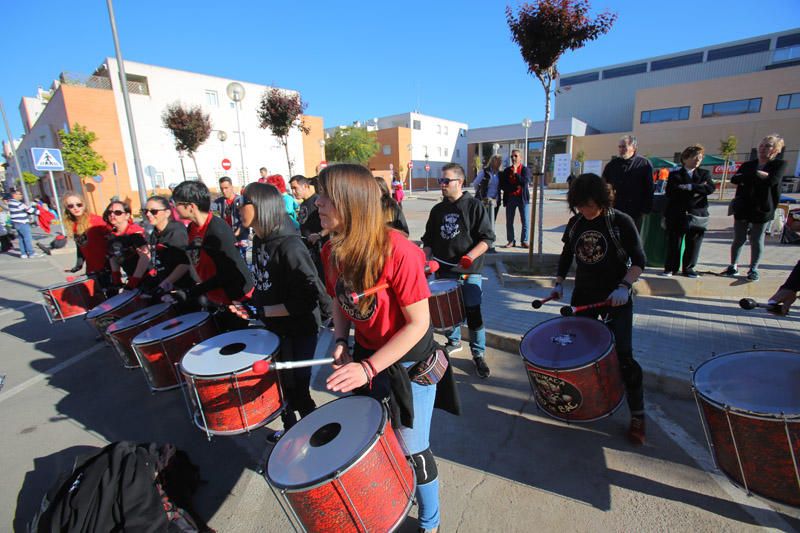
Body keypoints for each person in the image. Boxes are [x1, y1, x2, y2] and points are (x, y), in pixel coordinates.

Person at [318, 164, 459, 533]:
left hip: (409, 365)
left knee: (414, 447)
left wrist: (368, 368)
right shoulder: (330, 251)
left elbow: (419, 324)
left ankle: (431, 522)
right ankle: (391, 498)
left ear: (351, 204)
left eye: (325, 197)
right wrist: (339, 339)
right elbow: (339, 299)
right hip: (368, 358)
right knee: (377, 438)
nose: (317, 203)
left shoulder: (400, 251)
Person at [551, 173, 647, 445]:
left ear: (602, 199)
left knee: (624, 356)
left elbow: (640, 261)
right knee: (580, 354)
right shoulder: (576, 223)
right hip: (584, 297)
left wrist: (625, 286)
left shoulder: (620, 222)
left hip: (616, 297)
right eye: (580, 205)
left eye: (589, 204)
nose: (585, 210)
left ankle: (638, 415)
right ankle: (588, 403)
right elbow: (567, 255)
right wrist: (558, 284)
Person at [239, 182, 327, 442]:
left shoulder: (290, 245)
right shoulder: (260, 240)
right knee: (281, 386)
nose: (237, 208)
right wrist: (250, 306)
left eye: (242, 202)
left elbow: (309, 298)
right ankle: (290, 434)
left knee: (298, 389)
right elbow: (263, 284)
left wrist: (260, 311)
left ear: (260, 207)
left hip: (300, 328)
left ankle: (319, 438)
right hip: (276, 327)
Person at [422, 163, 494, 378]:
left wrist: (470, 257)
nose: (442, 185)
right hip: (443, 269)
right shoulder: (437, 210)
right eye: (440, 181)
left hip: (469, 271)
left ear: (460, 182)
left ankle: (478, 354)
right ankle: (454, 341)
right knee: (447, 311)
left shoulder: (474, 206)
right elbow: (428, 239)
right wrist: (426, 259)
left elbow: (487, 239)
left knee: (473, 311)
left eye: (446, 181)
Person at [170, 180, 254, 331]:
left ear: (190, 207)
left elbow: (227, 274)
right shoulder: (192, 228)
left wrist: (191, 292)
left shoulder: (217, 230)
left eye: (176, 204)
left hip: (236, 299)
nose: (174, 208)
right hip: (215, 296)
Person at [722, 134, 787, 281]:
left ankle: (753, 269)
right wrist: (757, 175)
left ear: (776, 149)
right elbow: (735, 179)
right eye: (762, 145)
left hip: (763, 207)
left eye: (768, 146)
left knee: (756, 239)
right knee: (738, 238)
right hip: (743, 206)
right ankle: (733, 265)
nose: (763, 149)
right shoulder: (748, 165)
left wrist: (751, 176)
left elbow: (772, 181)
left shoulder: (779, 165)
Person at [662, 145, 716, 278]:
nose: (698, 160)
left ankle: (689, 268)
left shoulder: (704, 174)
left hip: (697, 213)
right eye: (694, 157)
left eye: (700, 157)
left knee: (694, 243)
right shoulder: (675, 175)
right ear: (685, 158)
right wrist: (697, 189)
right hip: (677, 213)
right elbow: (671, 192)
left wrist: (690, 187)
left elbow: (710, 188)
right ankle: (671, 268)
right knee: (675, 242)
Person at [137, 196, 194, 297]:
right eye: (145, 211)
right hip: (167, 287)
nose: (148, 214)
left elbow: (184, 264)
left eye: (154, 211)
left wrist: (163, 286)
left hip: (184, 288)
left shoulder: (176, 231)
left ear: (167, 213)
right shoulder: (154, 234)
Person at [602, 135, 654, 230]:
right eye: (620, 147)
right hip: (616, 209)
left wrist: (646, 209)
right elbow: (604, 185)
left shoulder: (644, 164)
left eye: (624, 146)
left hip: (635, 211)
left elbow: (649, 188)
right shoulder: (612, 165)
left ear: (633, 148)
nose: (621, 149)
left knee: (632, 238)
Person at [61, 193, 110, 279]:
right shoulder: (73, 224)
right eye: (71, 206)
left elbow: (112, 240)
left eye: (79, 205)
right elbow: (80, 246)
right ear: (67, 209)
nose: (76, 208)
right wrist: (78, 264)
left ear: (84, 205)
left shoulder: (96, 220)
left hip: (106, 267)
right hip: (91, 268)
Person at [103, 200, 147, 289]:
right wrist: (116, 278)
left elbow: (145, 258)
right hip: (132, 278)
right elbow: (113, 256)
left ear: (127, 215)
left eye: (117, 212)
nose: (112, 215)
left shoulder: (135, 232)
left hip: (147, 278)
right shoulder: (111, 235)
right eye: (109, 212)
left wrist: (134, 281)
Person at [499, 150, 530, 247]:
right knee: (509, 221)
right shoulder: (507, 171)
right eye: (512, 156)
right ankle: (511, 241)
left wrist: (516, 173)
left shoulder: (525, 170)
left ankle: (524, 241)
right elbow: (503, 185)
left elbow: (525, 182)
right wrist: (514, 187)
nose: (513, 158)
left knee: (525, 220)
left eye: (516, 156)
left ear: (521, 158)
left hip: (522, 198)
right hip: (510, 198)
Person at [474, 154, 503, 253]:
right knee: (484, 223)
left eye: (500, 161)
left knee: (492, 223)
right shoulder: (485, 172)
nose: (498, 163)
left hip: (495, 202)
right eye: (497, 160)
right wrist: (481, 194)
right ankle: (482, 245)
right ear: (492, 161)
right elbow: (475, 183)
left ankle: (490, 245)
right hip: (485, 201)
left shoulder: (500, 173)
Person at [211, 176, 247, 254]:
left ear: (231, 187)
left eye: (226, 188)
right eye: (221, 189)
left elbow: (246, 220)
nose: (224, 191)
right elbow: (208, 209)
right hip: (227, 235)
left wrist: (236, 233)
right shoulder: (219, 201)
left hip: (241, 235)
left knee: (242, 259)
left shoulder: (241, 200)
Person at [6, 187, 39, 259]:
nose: (21, 195)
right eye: (20, 194)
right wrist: (39, 212)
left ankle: (23, 253)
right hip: (22, 223)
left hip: (16, 223)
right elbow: (29, 210)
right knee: (27, 238)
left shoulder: (10, 202)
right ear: (14, 195)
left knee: (21, 238)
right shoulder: (17, 203)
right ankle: (31, 253)